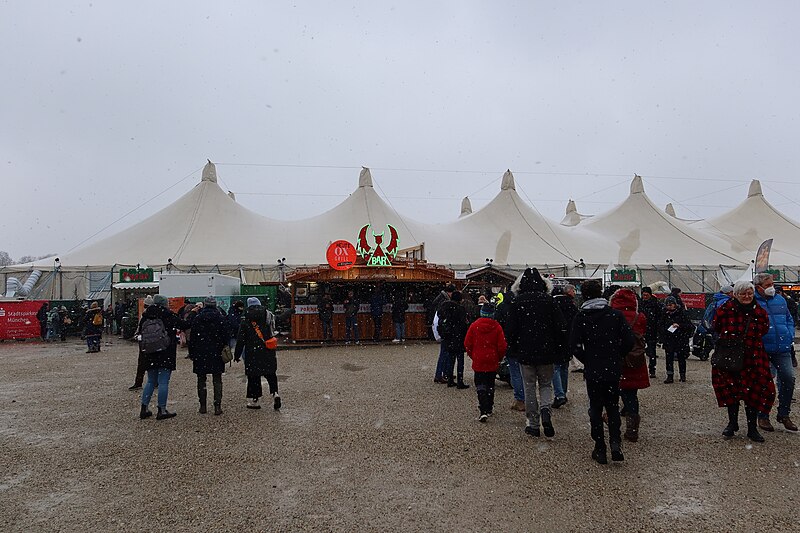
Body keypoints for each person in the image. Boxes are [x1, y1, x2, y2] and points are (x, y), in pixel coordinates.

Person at [570, 279, 635, 464]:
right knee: (613, 407)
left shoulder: (581, 317)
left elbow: (573, 345)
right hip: (612, 367)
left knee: (596, 408)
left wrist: (587, 359)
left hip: (594, 369)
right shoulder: (615, 315)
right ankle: (615, 443)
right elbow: (629, 341)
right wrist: (617, 355)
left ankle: (599, 447)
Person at [505, 268, 565, 438]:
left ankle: (533, 422)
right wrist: (558, 348)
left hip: (526, 351)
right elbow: (560, 326)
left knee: (529, 385)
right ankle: (546, 409)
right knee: (546, 384)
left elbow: (510, 330)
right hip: (547, 350)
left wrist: (514, 347)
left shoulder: (517, 302)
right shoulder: (549, 301)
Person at [713, 280, 776, 442]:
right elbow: (717, 326)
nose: (747, 296)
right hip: (731, 355)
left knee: (754, 391)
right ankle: (732, 423)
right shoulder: (725, 309)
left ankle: (752, 428)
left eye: (749, 293)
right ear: (736, 294)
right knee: (731, 391)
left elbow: (764, 328)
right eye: (743, 293)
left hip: (754, 357)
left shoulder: (759, 311)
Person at [753, 273, 797, 432]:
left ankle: (784, 414)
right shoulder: (753, 301)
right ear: (758, 287)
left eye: (772, 283)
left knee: (788, 378)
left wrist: (789, 334)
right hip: (762, 349)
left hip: (782, 348)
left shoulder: (780, 300)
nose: (772, 287)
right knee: (764, 383)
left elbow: (789, 319)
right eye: (768, 285)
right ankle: (763, 415)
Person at [138, 294, 189, 420]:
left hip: (149, 351)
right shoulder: (168, 315)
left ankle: (144, 408)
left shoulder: (146, 315)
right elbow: (184, 325)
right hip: (166, 350)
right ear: (164, 303)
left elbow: (140, 332)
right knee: (163, 381)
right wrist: (192, 314)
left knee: (150, 381)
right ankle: (161, 409)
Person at [609, 288, 650, 442]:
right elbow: (643, 332)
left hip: (617, 357)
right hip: (635, 358)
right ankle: (632, 428)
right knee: (631, 392)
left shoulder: (612, 315)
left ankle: (613, 423)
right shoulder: (640, 316)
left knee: (613, 389)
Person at [235, 297, 281, 410]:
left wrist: (237, 354)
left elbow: (241, 339)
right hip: (267, 349)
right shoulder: (268, 315)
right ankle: (275, 393)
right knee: (271, 373)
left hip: (252, 351)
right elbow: (275, 325)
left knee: (253, 377)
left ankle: (255, 400)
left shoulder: (246, 318)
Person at [464, 303, 507, 422]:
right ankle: (489, 406)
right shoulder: (497, 327)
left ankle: (483, 408)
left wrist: (473, 355)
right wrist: (499, 357)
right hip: (492, 358)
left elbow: (467, 343)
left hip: (479, 358)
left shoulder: (474, 326)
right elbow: (502, 346)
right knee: (490, 384)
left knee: (480, 384)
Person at [188, 297, 229, 415]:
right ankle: (217, 406)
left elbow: (193, 337)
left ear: (205, 305)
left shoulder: (198, 318)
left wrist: (192, 353)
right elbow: (225, 336)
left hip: (201, 352)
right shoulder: (220, 318)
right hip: (216, 352)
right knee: (217, 379)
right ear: (215, 305)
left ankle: (203, 405)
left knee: (201, 379)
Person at [495, 290, 525, 411]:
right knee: (525, 372)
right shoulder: (520, 306)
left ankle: (520, 399)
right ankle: (528, 398)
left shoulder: (503, 307)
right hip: (522, 343)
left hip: (510, 342)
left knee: (515, 372)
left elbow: (498, 323)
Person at [552, 284, 578, 408]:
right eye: (573, 290)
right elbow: (576, 321)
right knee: (563, 366)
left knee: (556, 367)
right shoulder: (571, 305)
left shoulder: (553, 304)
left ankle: (559, 394)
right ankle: (563, 393)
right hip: (568, 339)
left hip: (555, 339)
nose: (575, 292)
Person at [437, 290, 470, 389]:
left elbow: (440, 318)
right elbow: (464, 324)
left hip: (448, 337)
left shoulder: (444, 307)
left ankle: (450, 379)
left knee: (450, 359)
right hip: (458, 337)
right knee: (460, 361)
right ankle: (460, 381)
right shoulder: (460, 309)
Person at [658, 295, 692, 383]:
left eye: (671, 304)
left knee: (681, 358)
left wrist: (679, 326)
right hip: (669, 339)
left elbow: (689, 326)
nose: (669, 306)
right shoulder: (664, 314)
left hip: (680, 339)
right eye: (667, 305)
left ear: (675, 304)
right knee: (669, 358)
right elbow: (660, 326)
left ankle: (682, 374)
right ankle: (670, 375)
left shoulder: (682, 313)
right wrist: (664, 332)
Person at [129, 295, 154, 390]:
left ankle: (138, 382)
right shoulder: (158, 314)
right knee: (154, 361)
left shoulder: (145, 315)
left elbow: (140, 327)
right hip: (155, 341)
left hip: (144, 341)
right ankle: (155, 381)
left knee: (142, 363)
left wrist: (136, 335)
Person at [431, 284, 455, 383]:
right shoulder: (444, 302)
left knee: (444, 353)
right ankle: (441, 374)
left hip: (442, 330)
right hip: (444, 331)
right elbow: (441, 319)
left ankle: (444, 373)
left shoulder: (440, 299)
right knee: (444, 354)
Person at [639, 287, 662, 378]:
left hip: (651, 330)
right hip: (642, 330)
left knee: (652, 351)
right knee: (640, 351)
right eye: (643, 295)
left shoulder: (655, 304)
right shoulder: (640, 303)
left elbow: (659, 317)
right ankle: (641, 369)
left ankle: (652, 369)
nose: (644, 296)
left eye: (646, 295)